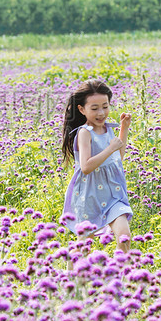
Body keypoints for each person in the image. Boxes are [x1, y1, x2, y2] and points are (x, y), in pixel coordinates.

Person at [60, 79, 132, 253]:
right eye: (94, 108)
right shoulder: (84, 133)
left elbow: (117, 159)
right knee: (84, 245)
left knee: (124, 236)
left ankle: (121, 276)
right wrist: (110, 148)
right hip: (89, 195)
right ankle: (70, 277)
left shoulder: (109, 128)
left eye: (105, 106)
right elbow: (86, 166)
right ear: (82, 109)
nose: (101, 113)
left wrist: (124, 128)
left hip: (113, 193)